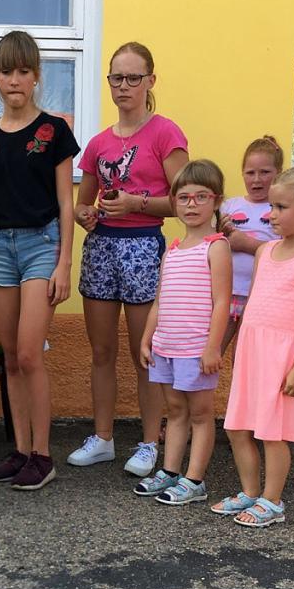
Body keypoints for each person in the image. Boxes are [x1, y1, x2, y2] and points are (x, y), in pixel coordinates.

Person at [68, 41, 188, 477]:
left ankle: (149, 443)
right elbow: (82, 205)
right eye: (116, 78)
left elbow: (186, 201)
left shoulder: (166, 133)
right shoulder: (98, 143)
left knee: (145, 352)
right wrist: (86, 215)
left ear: (150, 81)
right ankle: (102, 438)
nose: (124, 86)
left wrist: (137, 204)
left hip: (142, 246)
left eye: (133, 78)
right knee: (101, 351)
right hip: (102, 247)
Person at [0, 30, 79, 491]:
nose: (14, 80)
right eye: (5, 71)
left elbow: (67, 204)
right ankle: (19, 450)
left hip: (41, 246)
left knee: (31, 353)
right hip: (0, 250)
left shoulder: (54, 131)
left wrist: (64, 263)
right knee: (12, 356)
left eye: (22, 71)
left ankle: (42, 455)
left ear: (36, 76)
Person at [213, 162, 294, 526]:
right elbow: (252, 303)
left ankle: (273, 500)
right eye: (271, 206)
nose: (271, 215)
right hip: (253, 352)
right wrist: (241, 347)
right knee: (237, 426)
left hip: (283, 358)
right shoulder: (265, 251)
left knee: (272, 432)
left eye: (281, 207)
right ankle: (250, 491)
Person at [135, 160, 231, 504]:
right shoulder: (172, 250)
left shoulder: (216, 247)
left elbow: (222, 302)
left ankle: (195, 480)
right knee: (175, 411)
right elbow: (159, 302)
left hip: (196, 349)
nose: (192, 204)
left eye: (201, 197)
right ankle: (171, 471)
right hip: (166, 347)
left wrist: (213, 347)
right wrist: (147, 339)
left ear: (216, 201)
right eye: (184, 197)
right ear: (174, 202)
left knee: (201, 415)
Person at [220, 135, 283, 355]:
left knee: (244, 356)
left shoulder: (280, 209)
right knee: (213, 350)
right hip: (226, 292)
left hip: (260, 297)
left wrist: (246, 244)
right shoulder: (229, 206)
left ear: (278, 173)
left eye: (265, 172)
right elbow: (211, 244)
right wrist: (221, 235)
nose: (257, 179)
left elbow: (284, 254)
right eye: (250, 173)